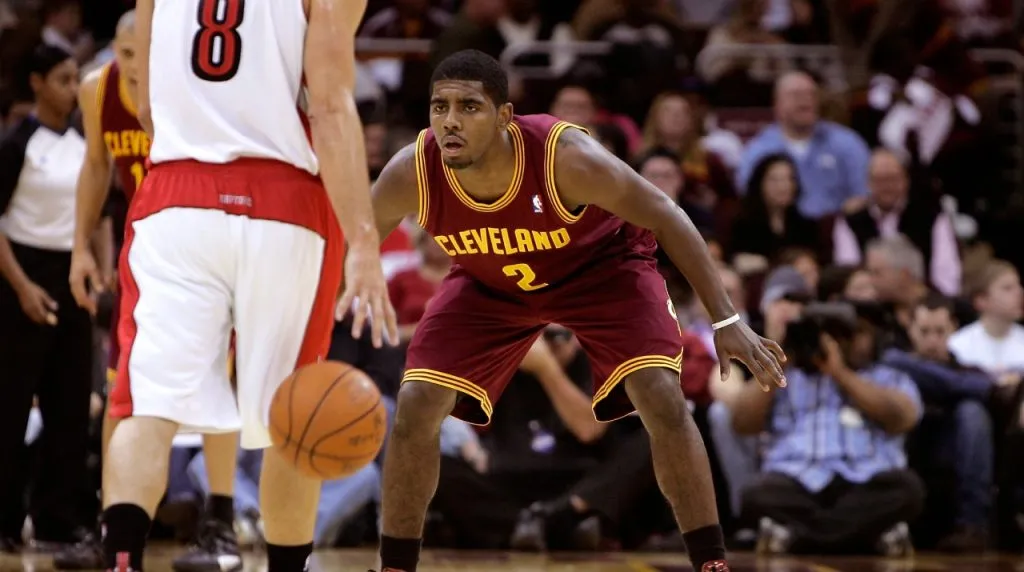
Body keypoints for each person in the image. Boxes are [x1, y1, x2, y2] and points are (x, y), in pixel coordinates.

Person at [369, 50, 787, 572]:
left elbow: (666, 213)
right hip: (492, 279)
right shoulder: (413, 170)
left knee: (659, 393)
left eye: (469, 106)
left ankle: (710, 563)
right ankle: (395, 567)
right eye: (440, 106)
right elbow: (352, 242)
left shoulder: (564, 156)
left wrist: (726, 320)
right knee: (416, 400)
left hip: (602, 270)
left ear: (504, 116)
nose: (450, 120)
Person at [99, 1, 397, 572]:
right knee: (294, 418)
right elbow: (330, 107)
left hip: (178, 195)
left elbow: (147, 107)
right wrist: (363, 241)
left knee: (149, 409)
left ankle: (122, 562)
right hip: (287, 203)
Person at [61, 11, 242, 571]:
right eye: (125, 52)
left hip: (202, 244)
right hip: (143, 253)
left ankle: (221, 524)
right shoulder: (99, 89)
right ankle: (112, 528)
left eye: (144, 49)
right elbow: (96, 167)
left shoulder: (194, 83)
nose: (135, 63)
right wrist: (80, 247)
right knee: (123, 389)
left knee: (218, 382)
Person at [0, 44, 91, 554]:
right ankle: (5, 521)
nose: (74, 90)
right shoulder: (18, 143)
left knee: (71, 407)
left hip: (72, 275)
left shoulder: (83, 142)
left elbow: (99, 213)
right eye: (63, 79)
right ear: (36, 82)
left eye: (77, 79)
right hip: (22, 275)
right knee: (11, 407)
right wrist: (21, 287)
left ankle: (59, 519)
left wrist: (99, 264)